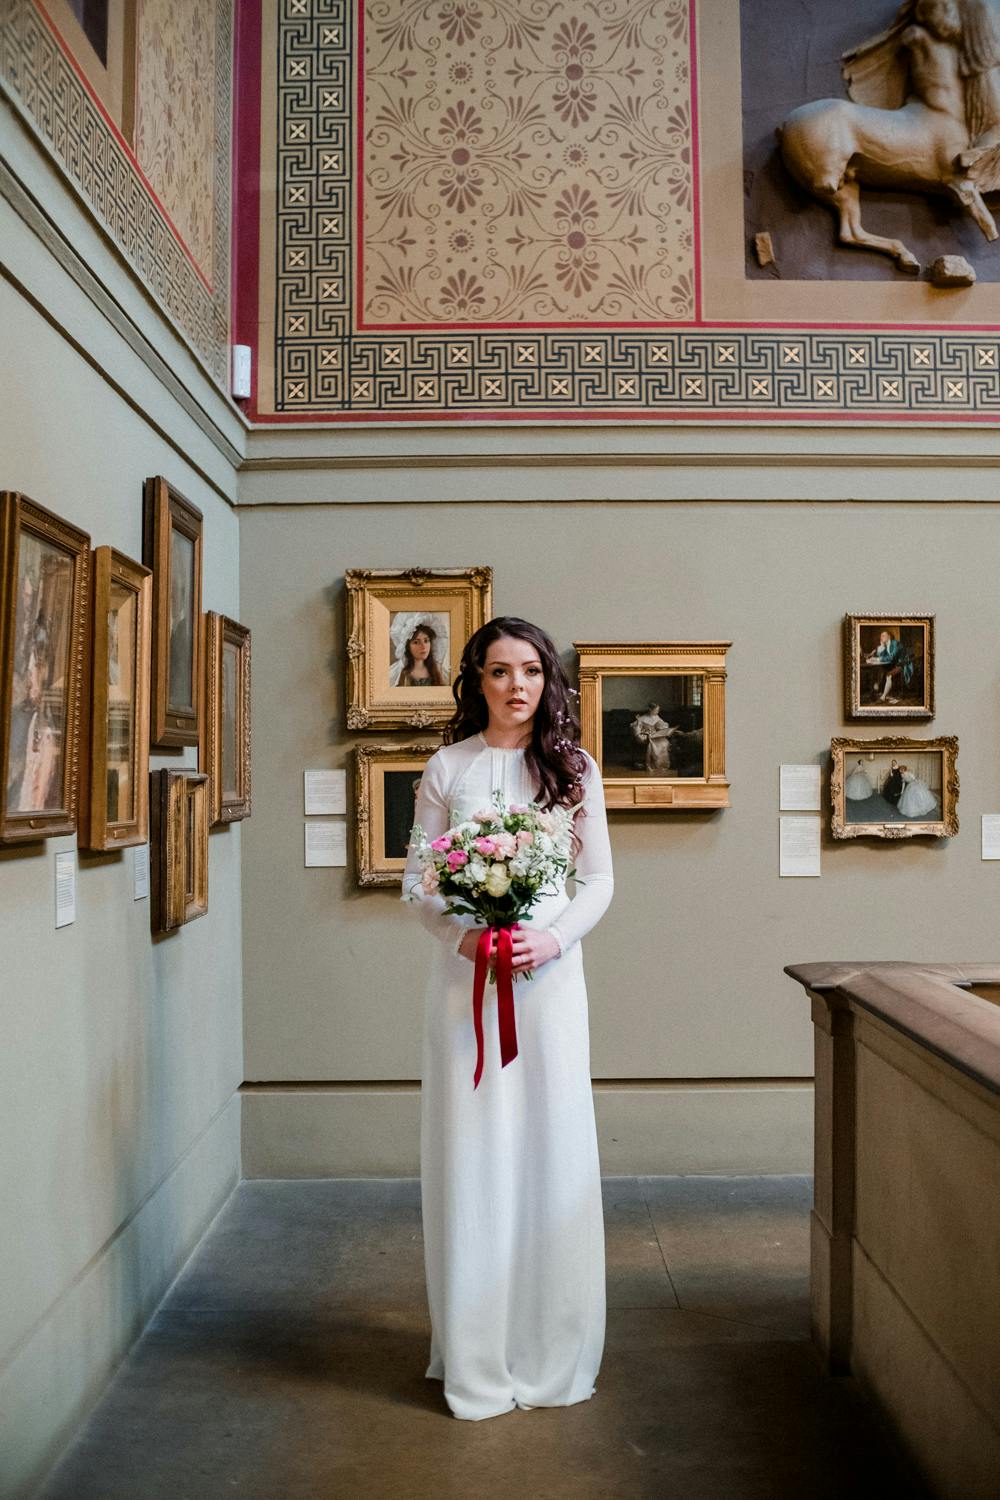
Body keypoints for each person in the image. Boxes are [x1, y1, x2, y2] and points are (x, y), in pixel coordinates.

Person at [402, 615, 613, 1421]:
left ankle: (552, 1344)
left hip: (550, 986)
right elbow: (419, 881)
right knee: (474, 1151)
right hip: (465, 987)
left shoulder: (575, 770)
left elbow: (597, 882)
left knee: (550, 1146)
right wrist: (463, 938)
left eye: (530, 670)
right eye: (499, 671)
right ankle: (476, 1349)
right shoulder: (447, 767)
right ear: (476, 681)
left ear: (548, 679)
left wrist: (550, 940)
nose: (516, 685)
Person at [390, 621, 446, 687]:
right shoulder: (400, 674)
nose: (423, 647)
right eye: (416, 642)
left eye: (426, 641)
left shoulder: (438, 672)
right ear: (407, 646)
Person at [630, 700, 678, 772]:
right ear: (650, 709)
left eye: (658, 710)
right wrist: (639, 723)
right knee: (653, 743)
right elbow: (635, 730)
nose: (657, 712)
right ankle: (653, 764)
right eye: (656, 710)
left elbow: (663, 725)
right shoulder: (642, 718)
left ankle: (662, 763)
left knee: (665, 742)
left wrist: (663, 727)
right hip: (646, 736)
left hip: (656, 735)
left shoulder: (656, 717)